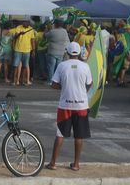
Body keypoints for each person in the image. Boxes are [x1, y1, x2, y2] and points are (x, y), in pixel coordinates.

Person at [45, 42, 92, 172]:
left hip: (65, 105)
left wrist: (64, 86)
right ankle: (76, 164)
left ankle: (53, 163)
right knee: (79, 136)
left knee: (60, 134)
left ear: (68, 52)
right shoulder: (85, 66)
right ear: (78, 53)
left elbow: (54, 85)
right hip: (81, 105)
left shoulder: (62, 65)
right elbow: (89, 84)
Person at [45, 19, 70, 86]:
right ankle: (57, 81)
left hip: (52, 52)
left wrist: (48, 29)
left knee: (51, 67)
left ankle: (50, 81)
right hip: (61, 52)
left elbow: (45, 36)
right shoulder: (65, 31)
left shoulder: (52, 31)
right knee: (58, 68)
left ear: (55, 24)